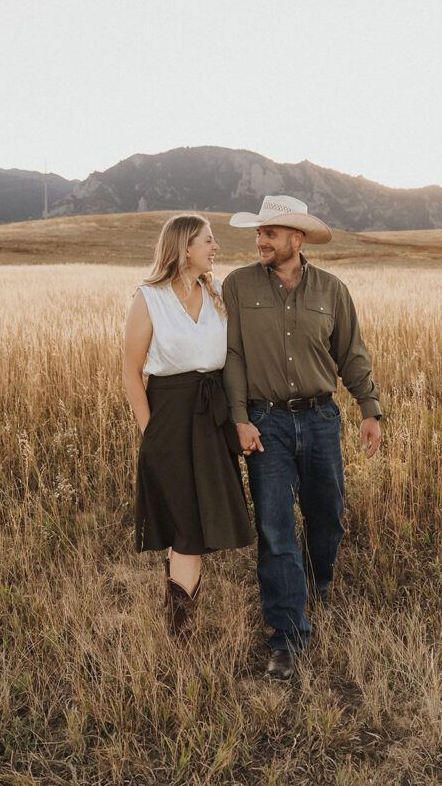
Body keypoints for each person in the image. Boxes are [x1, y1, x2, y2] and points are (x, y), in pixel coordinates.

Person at [223, 195, 382, 679]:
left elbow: (350, 352)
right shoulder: (237, 285)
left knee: (327, 515)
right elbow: (232, 356)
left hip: (320, 418)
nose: (260, 241)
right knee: (275, 529)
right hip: (264, 421)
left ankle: (316, 586)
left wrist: (369, 408)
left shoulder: (332, 290)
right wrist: (238, 417)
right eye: (259, 233)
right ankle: (287, 636)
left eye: (270, 233)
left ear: (296, 238)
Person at [123, 214, 254, 637]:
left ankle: (181, 625)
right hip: (169, 419)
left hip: (211, 418)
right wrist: (151, 435)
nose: (216, 248)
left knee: (200, 521)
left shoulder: (216, 291)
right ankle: (182, 631)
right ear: (184, 248)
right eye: (208, 241)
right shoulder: (149, 297)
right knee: (185, 523)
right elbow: (130, 372)